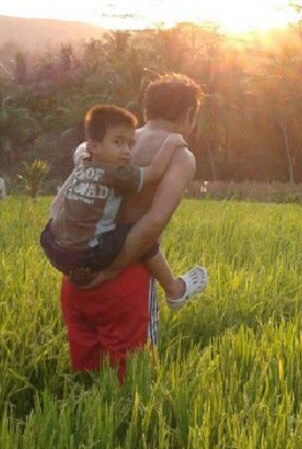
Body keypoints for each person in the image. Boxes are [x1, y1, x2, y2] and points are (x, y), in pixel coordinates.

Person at [56, 75, 206, 382]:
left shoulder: (113, 143)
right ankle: (175, 290)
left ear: (147, 108)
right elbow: (151, 223)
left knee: (85, 377)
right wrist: (113, 269)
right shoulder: (180, 156)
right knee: (132, 383)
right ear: (190, 114)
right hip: (127, 277)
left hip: (76, 271)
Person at [41, 104, 207, 304]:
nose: (127, 152)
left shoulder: (85, 162)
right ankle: (174, 289)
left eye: (130, 144)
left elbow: (55, 207)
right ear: (189, 114)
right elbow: (155, 202)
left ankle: (173, 288)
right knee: (142, 232)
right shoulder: (119, 172)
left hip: (55, 248)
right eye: (119, 143)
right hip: (96, 258)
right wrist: (172, 143)